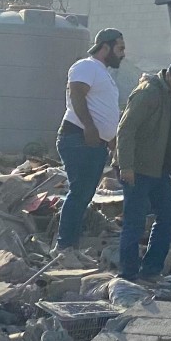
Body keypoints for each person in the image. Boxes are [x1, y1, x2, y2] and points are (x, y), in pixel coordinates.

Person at [115, 59, 171, 280]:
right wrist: (126, 166)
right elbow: (125, 129)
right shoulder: (148, 93)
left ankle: (151, 269)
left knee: (169, 216)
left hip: (159, 170)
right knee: (135, 221)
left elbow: (170, 137)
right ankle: (128, 274)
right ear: (169, 76)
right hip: (137, 169)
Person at [55, 28, 125, 253]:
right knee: (80, 193)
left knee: (84, 194)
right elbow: (76, 93)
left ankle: (70, 247)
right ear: (105, 47)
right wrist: (90, 127)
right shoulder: (86, 66)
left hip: (94, 143)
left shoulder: (102, 72)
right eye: (120, 48)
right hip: (79, 138)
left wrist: (111, 140)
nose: (123, 54)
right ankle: (64, 247)